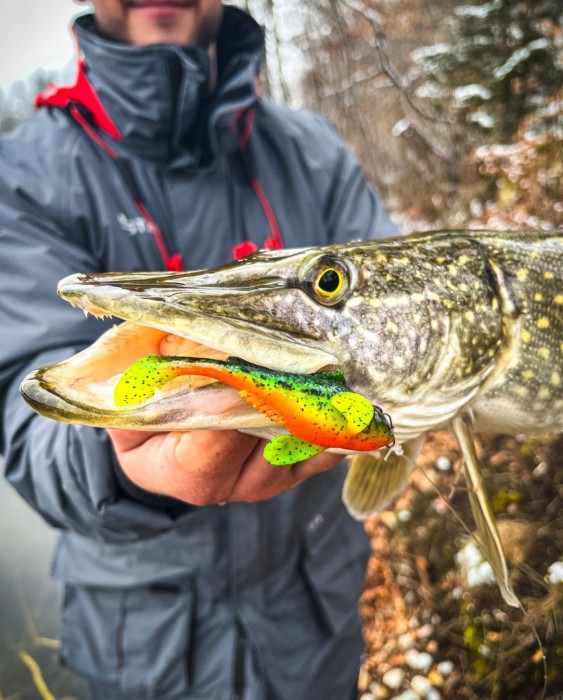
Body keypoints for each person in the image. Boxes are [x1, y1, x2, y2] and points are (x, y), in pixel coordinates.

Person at [0, 2, 399, 698]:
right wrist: (119, 464)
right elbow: (28, 411)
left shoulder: (312, 149)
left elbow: (399, 329)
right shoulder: (23, 172)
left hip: (312, 623)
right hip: (143, 650)